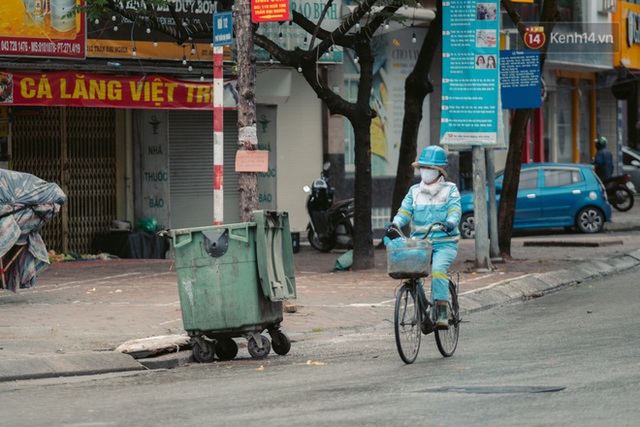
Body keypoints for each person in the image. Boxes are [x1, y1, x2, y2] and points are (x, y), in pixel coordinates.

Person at [386, 146, 461, 329]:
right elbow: (404, 211)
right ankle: (422, 307)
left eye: (430, 168)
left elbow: (454, 210)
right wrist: (395, 223)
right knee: (408, 271)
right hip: (420, 244)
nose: (425, 171)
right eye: (423, 167)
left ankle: (442, 312)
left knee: (437, 271)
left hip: (445, 243)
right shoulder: (414, 191)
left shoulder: (450, 190)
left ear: (439, 170)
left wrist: (451, 222)